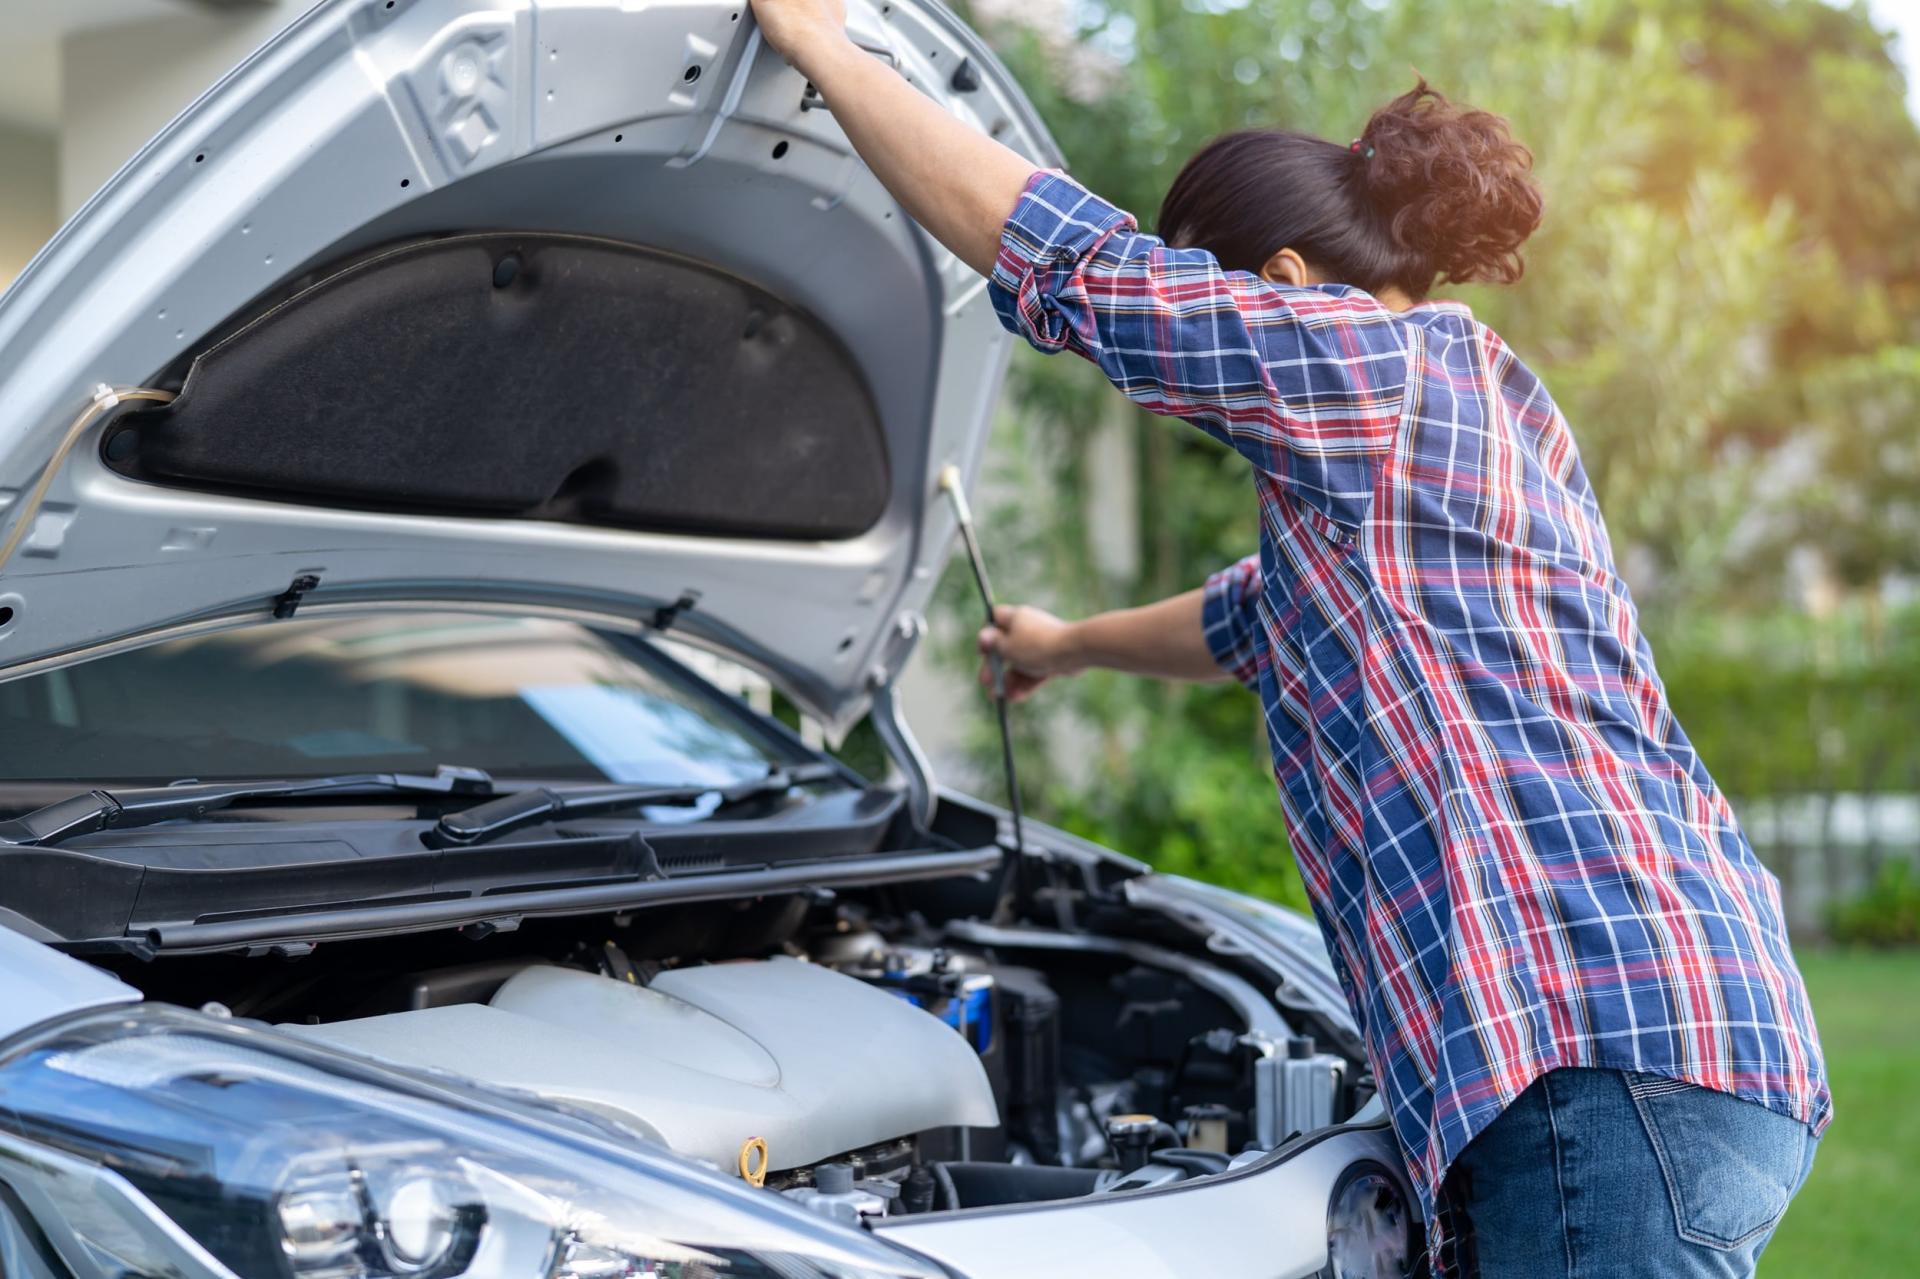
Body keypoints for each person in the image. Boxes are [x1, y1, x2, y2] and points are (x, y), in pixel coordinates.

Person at [745, 1, 1830, 1274]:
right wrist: (1071, 640)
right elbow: (1252, 618)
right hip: (1663, 1044)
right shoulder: (1424, 444)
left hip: (1602, 1057)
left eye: (1210, 288)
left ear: (1285, 292)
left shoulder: (1378, 365)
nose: (1196, 342)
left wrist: (820, 41)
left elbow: (1085, 269)